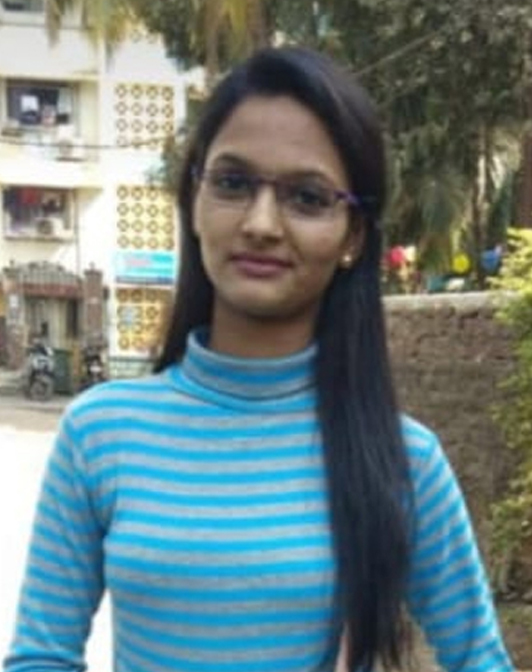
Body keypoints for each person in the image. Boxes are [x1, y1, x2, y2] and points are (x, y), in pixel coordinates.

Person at [3, 47, 514, 672]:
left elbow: (478, 658)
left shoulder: (402, 461)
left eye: (308, 197)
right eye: (233, 183)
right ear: (195, 202)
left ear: (353, 235)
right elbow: (41, 657)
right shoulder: (100, 432)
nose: (262, 223)